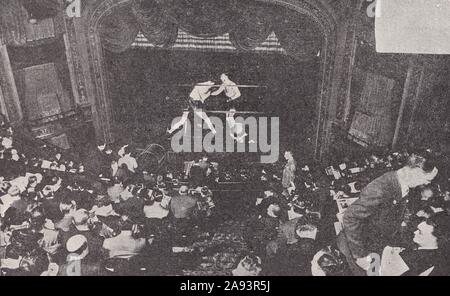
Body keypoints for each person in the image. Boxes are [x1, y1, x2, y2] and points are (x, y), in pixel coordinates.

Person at [338, 152, 439, 275]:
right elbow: (350, 217)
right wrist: (360, 256)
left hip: (374, 247)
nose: (427, 184)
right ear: (416, 171)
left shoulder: (402, 185)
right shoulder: (383, 187)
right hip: (357, 250)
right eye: (428, 179)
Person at [380, 212, 450, 276]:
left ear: (436, 239)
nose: (415, 232)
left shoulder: (415, 259)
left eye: (420, 232)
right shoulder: (438, 257)